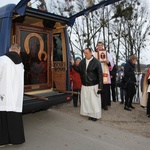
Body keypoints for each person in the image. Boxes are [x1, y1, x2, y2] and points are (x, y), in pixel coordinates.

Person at [0, 44, 25, 147]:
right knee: (14, 115)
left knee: (2, 116)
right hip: (15, 95)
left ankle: (2, 141)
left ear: (10, 50)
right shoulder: (20, 64)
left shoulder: (2, 60)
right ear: (18, 52)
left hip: (3, 93)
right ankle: (15, 139)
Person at [71, 48, 103, 121]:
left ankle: (95, 115)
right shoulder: (82, 62)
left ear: (91, 52)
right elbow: (79, 70)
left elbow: (100, 75)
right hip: (85, 85)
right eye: (84, 53)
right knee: (87, 101)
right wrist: (73, 65)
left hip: (93, 85)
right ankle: (90, 114)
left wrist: (100, 86)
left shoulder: (96, 62)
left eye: (87, 53)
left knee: (94, 101)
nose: (86, 54)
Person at [95, 41, 114, 110]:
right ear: (97, 46)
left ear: (102, 46)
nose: (100, 46)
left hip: (105, 73)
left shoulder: (107, 54)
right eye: (98, 45)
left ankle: (104, 104)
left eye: (101, 45)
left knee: (105, 90)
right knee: (97, 89)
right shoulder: (94, 54)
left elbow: (111, 64)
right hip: (96, 74)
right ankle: (97, 104)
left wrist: (108, 62)